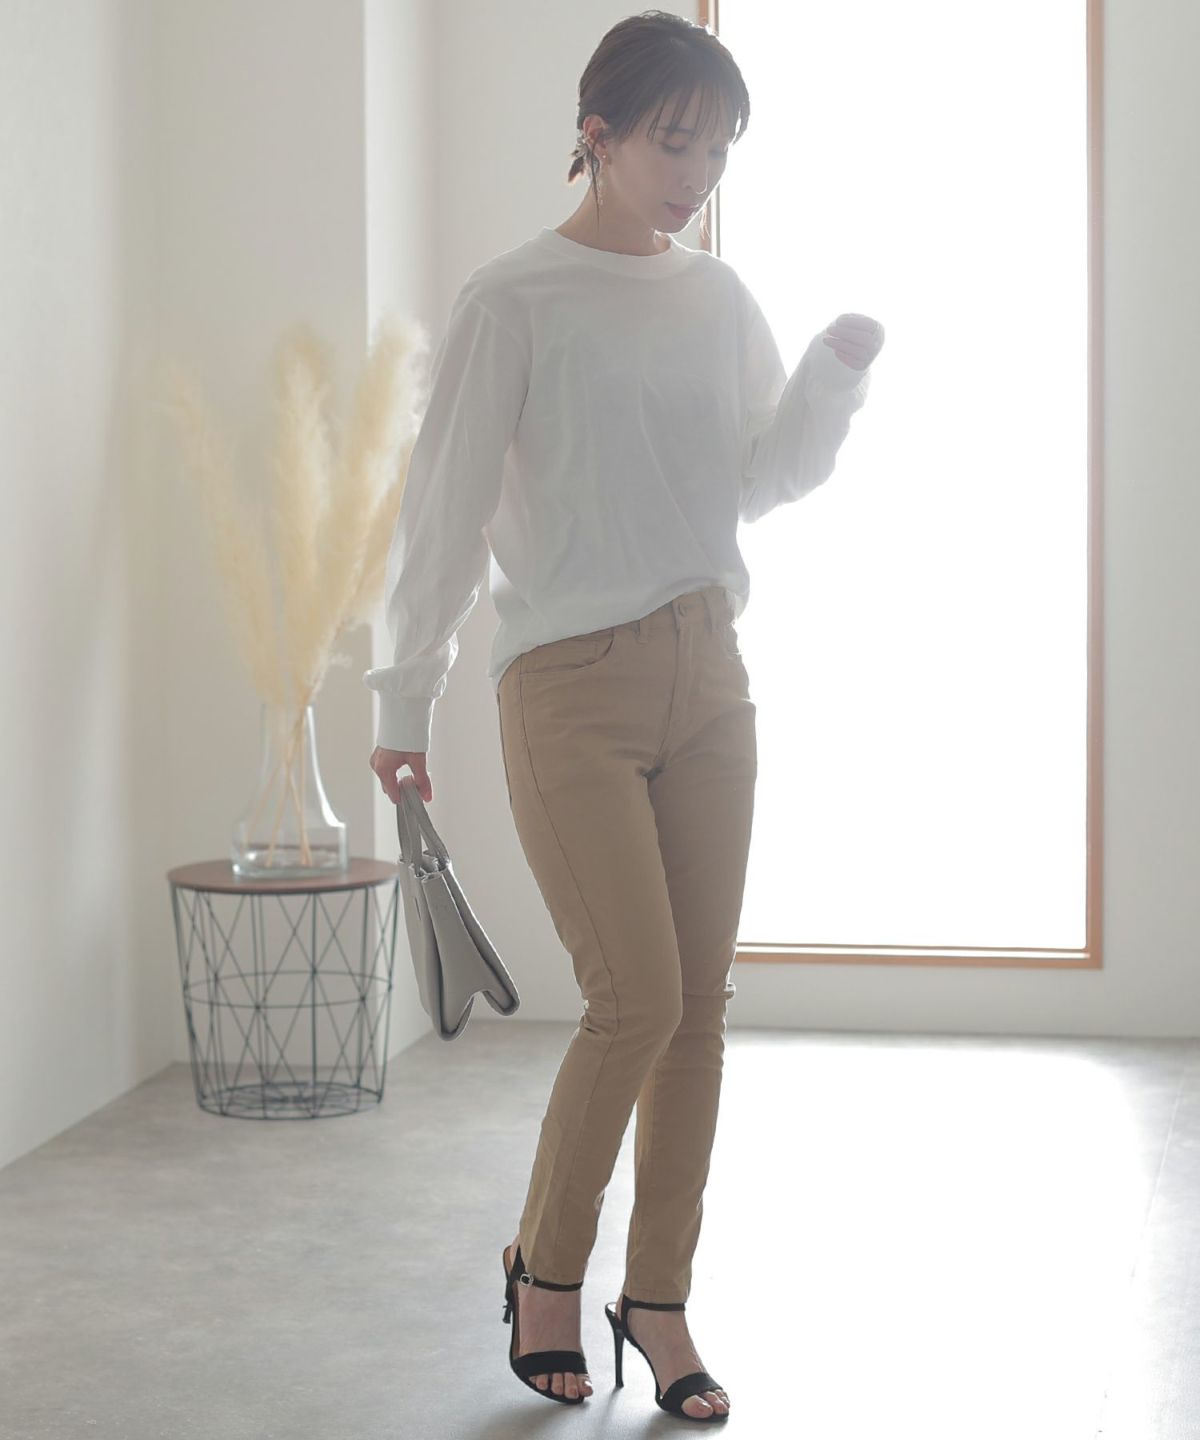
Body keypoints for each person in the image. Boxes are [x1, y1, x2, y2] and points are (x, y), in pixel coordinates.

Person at [366, 9, 883, 1422]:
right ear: (596, 134)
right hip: (568, 686)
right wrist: (403, 699)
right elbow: (443, 517)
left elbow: (758, 481)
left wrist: (831, 382)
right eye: (675, 142)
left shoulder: (719, 298)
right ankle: (547, 1268)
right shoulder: (514, 298)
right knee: (635, 1000)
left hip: (711, 675)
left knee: (696, 1013)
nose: (697, 173)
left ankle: (657, 1299)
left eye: (719, 150)